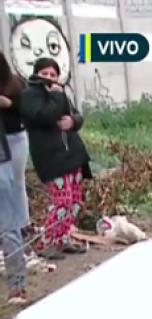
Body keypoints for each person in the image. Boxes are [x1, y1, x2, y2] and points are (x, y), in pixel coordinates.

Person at [19, 57, 92, 258]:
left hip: (72, 155)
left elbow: (77, 115)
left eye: (53, 74)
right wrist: (57, 98)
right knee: (62, 201)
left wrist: (73, 121)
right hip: (52, 158)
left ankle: (62, 238)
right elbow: (45, 116)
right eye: (45, 74)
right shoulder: (30, 95)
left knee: (75, 200)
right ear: (36, 74)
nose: (49, 78)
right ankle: (45, 243)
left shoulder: (59, 93)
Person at [0, 52, 29, 304]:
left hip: (8, 152)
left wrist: (9, 104)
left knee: (8, 222)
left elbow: (27, 110)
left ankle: (17, 286)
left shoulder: (15, 84)